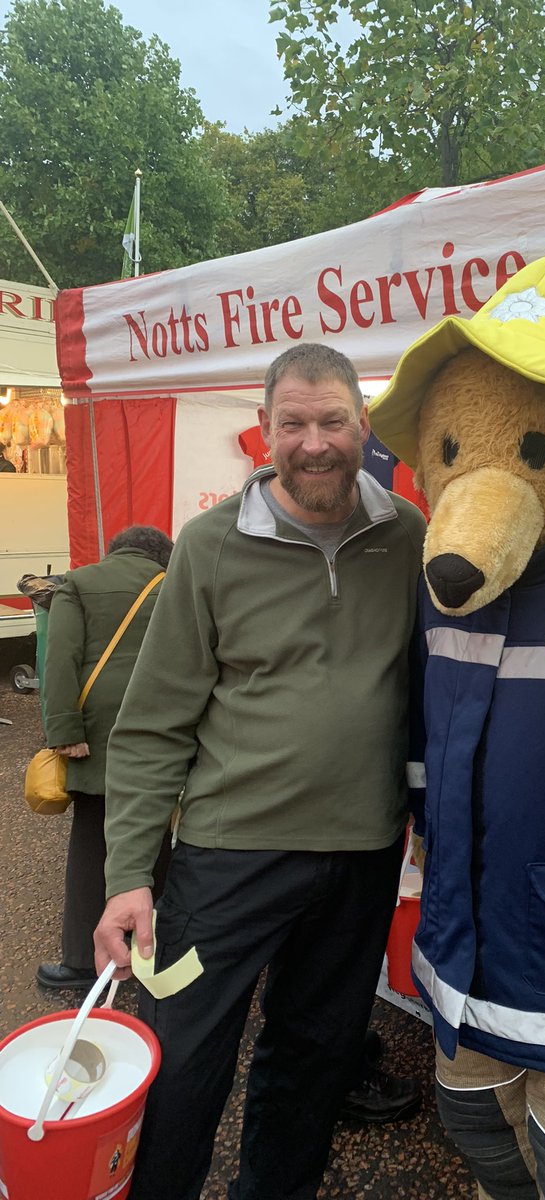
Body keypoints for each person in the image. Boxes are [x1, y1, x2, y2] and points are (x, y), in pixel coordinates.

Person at [94, 343, 427, 1200]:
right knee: (180, 1060)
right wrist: (129, 876)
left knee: (315, 1061)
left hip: (360, 858)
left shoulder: (407, 537)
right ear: (265, 430)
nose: (314, 443)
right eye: (293, 424)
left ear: (364, 425)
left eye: (332, 421)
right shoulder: (210, 546)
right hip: (226, 859)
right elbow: (153, 725)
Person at [36, 525, 174, 990]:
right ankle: (150, 951)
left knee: (93, 837)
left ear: (114, 551)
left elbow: (60, 659)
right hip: (160, 723)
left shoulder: (78, 583)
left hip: (98, 730)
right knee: (157, 834)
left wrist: (64, 730)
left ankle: (82, 960)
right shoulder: (173, 583)